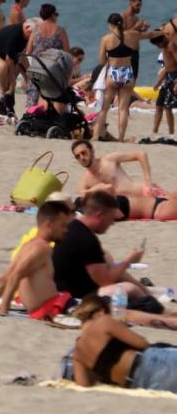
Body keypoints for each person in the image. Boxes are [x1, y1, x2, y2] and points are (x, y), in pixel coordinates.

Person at [50, 191, 177, 325]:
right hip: (75, 295)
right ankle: (163, 314)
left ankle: (159, 309)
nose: (112, 224)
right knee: (129, 288)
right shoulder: (85, 239)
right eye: (111, 219)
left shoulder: (76, 228)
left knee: (121, 276)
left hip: (74, 286)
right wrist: (129, 261)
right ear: (100, 215)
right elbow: (105, 281)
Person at [0, 200, 75, 318]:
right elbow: (16, 275)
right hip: (54, 307)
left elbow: (4, 278)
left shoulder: (27, 246)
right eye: (63, 225)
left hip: (46, 308)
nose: (66, 230)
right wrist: (4, 309)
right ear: (49, 225)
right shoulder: (43, 249)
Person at [67, 295, 177, 392]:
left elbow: (83, 386)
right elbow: (143, 344)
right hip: (151, 366)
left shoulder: (77, 354)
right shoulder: (103, 321)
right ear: (100, 312)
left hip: (137, 384)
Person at [93, 13, 162, 142]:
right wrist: (164, 31)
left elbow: (102, 61)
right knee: (123, 108)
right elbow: (150, 35)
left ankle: (95, 136)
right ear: (122, 23)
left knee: (104, 108)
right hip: (127, 73)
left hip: (113, 73)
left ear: (110, 25)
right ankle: (121, 138)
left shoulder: (106, 39)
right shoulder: (132, 35)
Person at [72, 140, 175, 220]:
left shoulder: (109, 160)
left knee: (169, 200)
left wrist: (148, 181)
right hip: (132, 206)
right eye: (77, 156)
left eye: (84, 153)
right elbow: (83, 197)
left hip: (146, 192)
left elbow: (141, 155)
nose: (82, 157)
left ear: (92, 151)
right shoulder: (85, 181)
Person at [22, 4, 71, 107]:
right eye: (56, 14)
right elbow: (67, 53)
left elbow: (29, 51)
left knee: (35, 92)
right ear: (52, 15)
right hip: (54, 71)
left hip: (37, 69)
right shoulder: (60, 31)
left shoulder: (36, 30)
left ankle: (33, 113)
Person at [121, 0, 150, 81]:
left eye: (140, 6)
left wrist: (145, 28)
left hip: (135, 52)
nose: (139, 8)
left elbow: (137, 35)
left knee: (134, 77)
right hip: (126, 51)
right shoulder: (123, 17)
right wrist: (136, 26)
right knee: (126, 77)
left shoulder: (136, 18)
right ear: (130, 3)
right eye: (137, 5)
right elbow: (121, 34)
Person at [153, 34, 177, 136]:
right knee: (159, 105)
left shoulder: (171, 45)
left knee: (168, 107)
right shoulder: (164, 48)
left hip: (174, 79)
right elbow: (167, 67)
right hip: (167, 80)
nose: (158, 46)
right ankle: (154, 131)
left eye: (158, 43)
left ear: (163, 39)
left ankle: (171, 132)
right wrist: (159, 82)